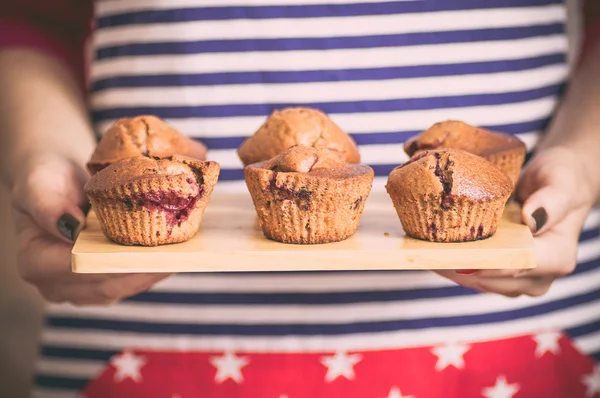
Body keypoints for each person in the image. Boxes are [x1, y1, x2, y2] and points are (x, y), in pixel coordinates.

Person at [1, 1, 600, 397]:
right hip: (140, 325)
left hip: (508, 314)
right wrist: (42, 151)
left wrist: (584, 160)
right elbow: (31, 18)